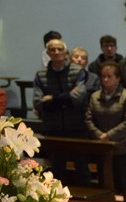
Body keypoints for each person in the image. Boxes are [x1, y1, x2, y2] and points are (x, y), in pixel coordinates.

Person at [32, 38, 90, 185]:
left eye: (59, 49)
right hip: (53, 127)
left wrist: (52, 99)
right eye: (52, 49)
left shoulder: (77, 71)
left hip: (76, 126)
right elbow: (38, 103)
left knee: (81, 165)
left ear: (65, 52)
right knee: (56, 168)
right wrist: (66, 99)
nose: (56, 52)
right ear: (48, 53)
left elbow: (78, 97)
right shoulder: (41, 74)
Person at [85, 61, 126, 202]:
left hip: (123, 145)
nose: (105, 79)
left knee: (124, 178)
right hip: (103, 145)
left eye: (109, 76)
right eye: (103, 76)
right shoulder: (95, 96)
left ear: (118, 78)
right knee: (105, 177)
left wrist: (109, 135)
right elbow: (89, 119)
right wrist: (99, 135)